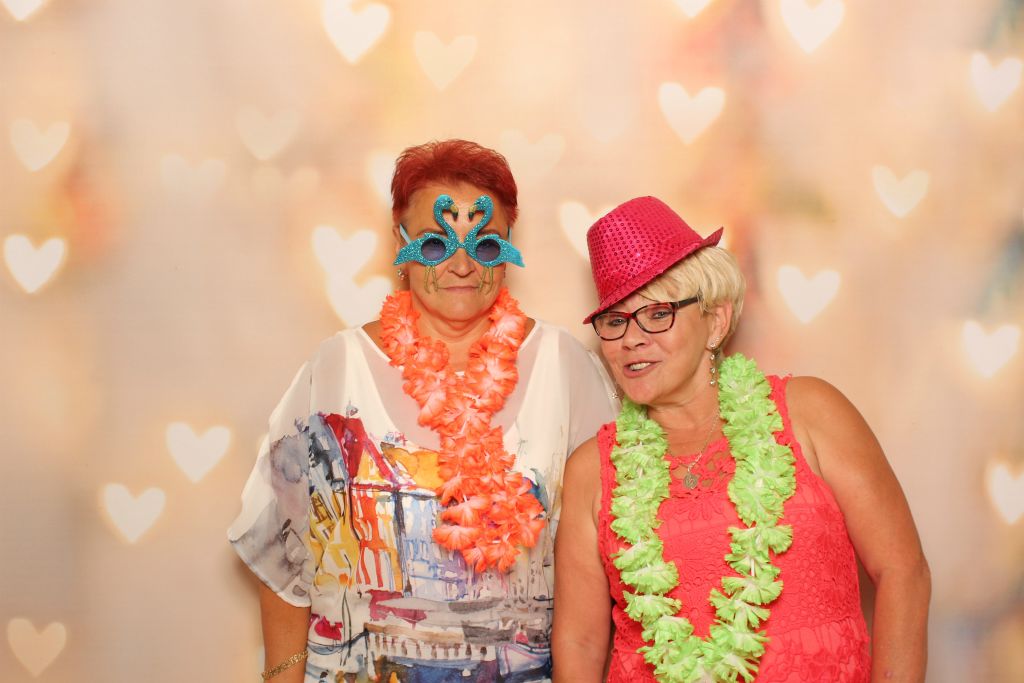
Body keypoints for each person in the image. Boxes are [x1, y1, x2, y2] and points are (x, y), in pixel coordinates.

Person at [228, 140, 617, 682]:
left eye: (485, 245)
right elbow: (281, 550)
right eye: (436, 245)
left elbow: (613, 557)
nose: (461, 264)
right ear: (400, 242)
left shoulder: (564, 369)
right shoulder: (338, 368)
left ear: (509, 242)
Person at [552, 197, 930, 682]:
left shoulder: (811, 412)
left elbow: (903, 572)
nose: (631, 338)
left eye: (657, 313)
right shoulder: (593, 469)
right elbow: (581, 643)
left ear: (716, 321)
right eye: (615, 320)